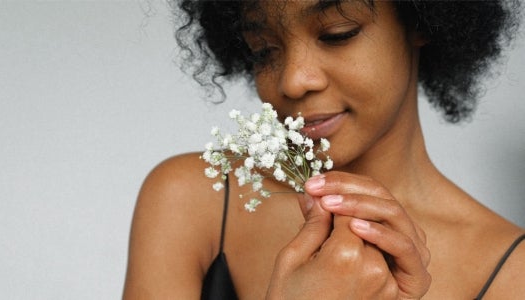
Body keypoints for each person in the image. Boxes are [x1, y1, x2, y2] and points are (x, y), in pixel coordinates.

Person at [123, 0, 524, 299]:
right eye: (264, 50)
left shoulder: (512, 275)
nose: (294, 81)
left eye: (337, 34)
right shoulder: (193, 199)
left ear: (418, 18)